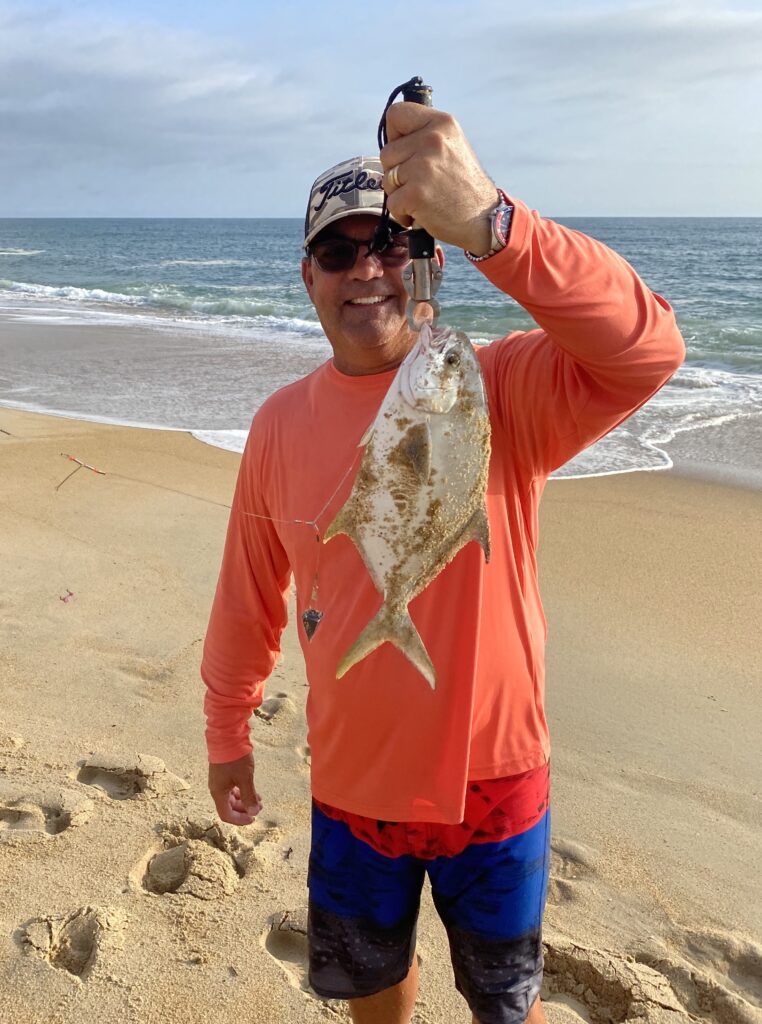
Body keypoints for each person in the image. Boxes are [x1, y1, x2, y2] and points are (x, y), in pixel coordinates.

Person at [201, 102, 685, 1024]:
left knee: (507, 1002)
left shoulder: (492, 383)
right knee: (371, 985)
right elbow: (248, 595)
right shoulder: (276, 426)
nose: (365, 270)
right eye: (338, 253)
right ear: (309, 277)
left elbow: (648, 347)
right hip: (351, 783)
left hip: (495, 777)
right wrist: (227, 729)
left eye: (387, 243)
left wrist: (493, 225)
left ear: (421, 255)